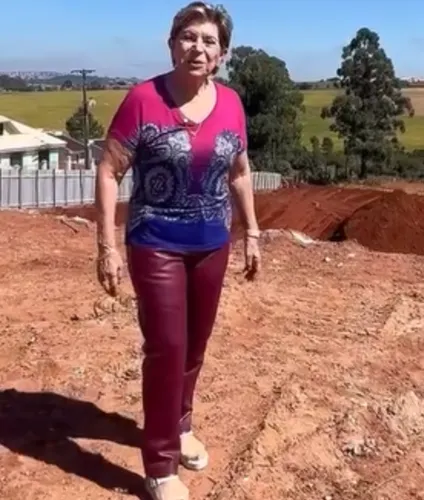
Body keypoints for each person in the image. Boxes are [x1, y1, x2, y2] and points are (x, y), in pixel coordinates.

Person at [93, 3, 261, 499]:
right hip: (155, 242)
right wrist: (106, 246)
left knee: (194, 346)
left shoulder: (230, 103)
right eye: (189, 37)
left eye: (209, 41)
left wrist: (251, 232)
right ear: (172, 44)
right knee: (166, 348)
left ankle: (180, 424)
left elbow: (241, 172)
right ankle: (161, 465)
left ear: (221, 55)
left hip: (213, 244)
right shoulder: (143, 99)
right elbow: (109, 170)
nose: (198, 47)